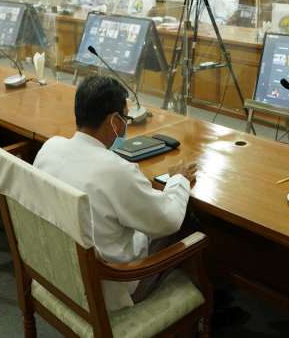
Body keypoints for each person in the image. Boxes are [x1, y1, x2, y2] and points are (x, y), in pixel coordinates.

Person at [33, 75, 197, 310]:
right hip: (111, 287)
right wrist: (178, 180)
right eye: (126, 118)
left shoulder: (50, 147)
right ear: (115, 122)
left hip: (59, 271)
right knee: (188, 221)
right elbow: (169, 219)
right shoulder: (117, 171)